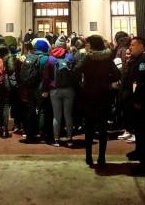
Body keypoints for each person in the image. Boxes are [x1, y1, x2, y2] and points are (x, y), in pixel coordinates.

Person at [74, 35, 120, 166]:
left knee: (89, 129)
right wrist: (107, 81)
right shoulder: (107, 58)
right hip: (104, 96)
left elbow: (76, 71)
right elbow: (117, 74)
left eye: (88, 44)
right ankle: (102, 158)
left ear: (92, 45)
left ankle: (89, 157)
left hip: (89, 96)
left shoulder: (88, 58)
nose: (86, 46)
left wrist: (81, 86)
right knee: (103, 129)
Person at [42, 39, 77, 147]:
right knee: (68, 115)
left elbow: (46, 77)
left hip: (54, 90)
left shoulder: (51, 59)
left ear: (55, 46)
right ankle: (69, 139)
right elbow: (76, 73)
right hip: (69, 90)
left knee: (56, 116)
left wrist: (45, 90)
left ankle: (56, 139)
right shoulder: (70, 57)